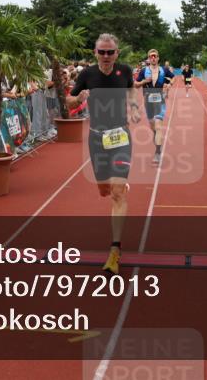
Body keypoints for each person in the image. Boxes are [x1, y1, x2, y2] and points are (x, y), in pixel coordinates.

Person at [66, 33, 142, 276]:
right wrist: (78, 97)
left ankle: (115, 249)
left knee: (117, 193)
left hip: (120, 136)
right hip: (97, 138)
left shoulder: (125, 71)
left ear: (116, 53)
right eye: (102, 52)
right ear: (95, 53)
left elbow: (131, 91)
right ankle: (115, 185)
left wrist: (133, 107)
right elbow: (68, 101)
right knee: (104, 190)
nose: (106, 56)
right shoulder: (87, 74)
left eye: (111, 52)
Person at [135, 49, 173, 165]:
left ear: (158, 58)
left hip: (160, 101)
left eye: (155, 56)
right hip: (148, 102)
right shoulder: (143, 71)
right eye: (151, 56)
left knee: (158, 126)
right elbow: (135, 84)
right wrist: (144, 82)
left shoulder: (164, 70)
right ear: (148, 58)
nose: (153, 58)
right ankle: (158, 144)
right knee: (154, 128)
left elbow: (173, 77)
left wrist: (169, 84)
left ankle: (157, 153)